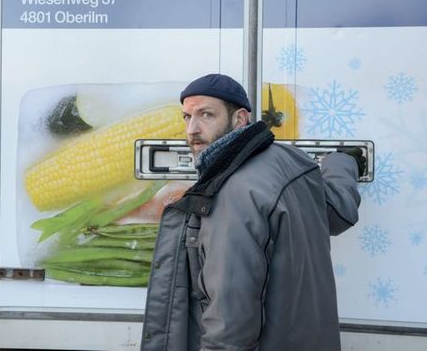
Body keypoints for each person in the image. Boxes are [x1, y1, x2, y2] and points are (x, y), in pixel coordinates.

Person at [141, 73, 363, 351]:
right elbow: (339, 210)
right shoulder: (291, 161)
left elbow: (229, 325)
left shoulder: (231, 193)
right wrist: (344, 162)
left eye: (206, 115)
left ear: (240, 119)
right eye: (187, 117)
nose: (192, 130)